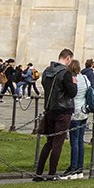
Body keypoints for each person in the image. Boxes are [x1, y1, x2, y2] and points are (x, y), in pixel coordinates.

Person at [35, 49, 77, 180]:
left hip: (50, 109)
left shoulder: (47, 71)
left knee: (49, 142)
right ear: (68, 59)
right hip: (63, 111)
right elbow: (72, 92)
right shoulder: (65, 73)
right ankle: (52, 174)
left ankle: (39, 172)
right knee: (57, 143)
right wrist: (74, 84)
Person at [64, 60, 90, 179]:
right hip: (84, 111)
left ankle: (74, 169)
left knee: (74, 140)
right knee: (80, 140)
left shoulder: (72, 79)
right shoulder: (85, 78)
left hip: (74, 111)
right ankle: (80, 169)